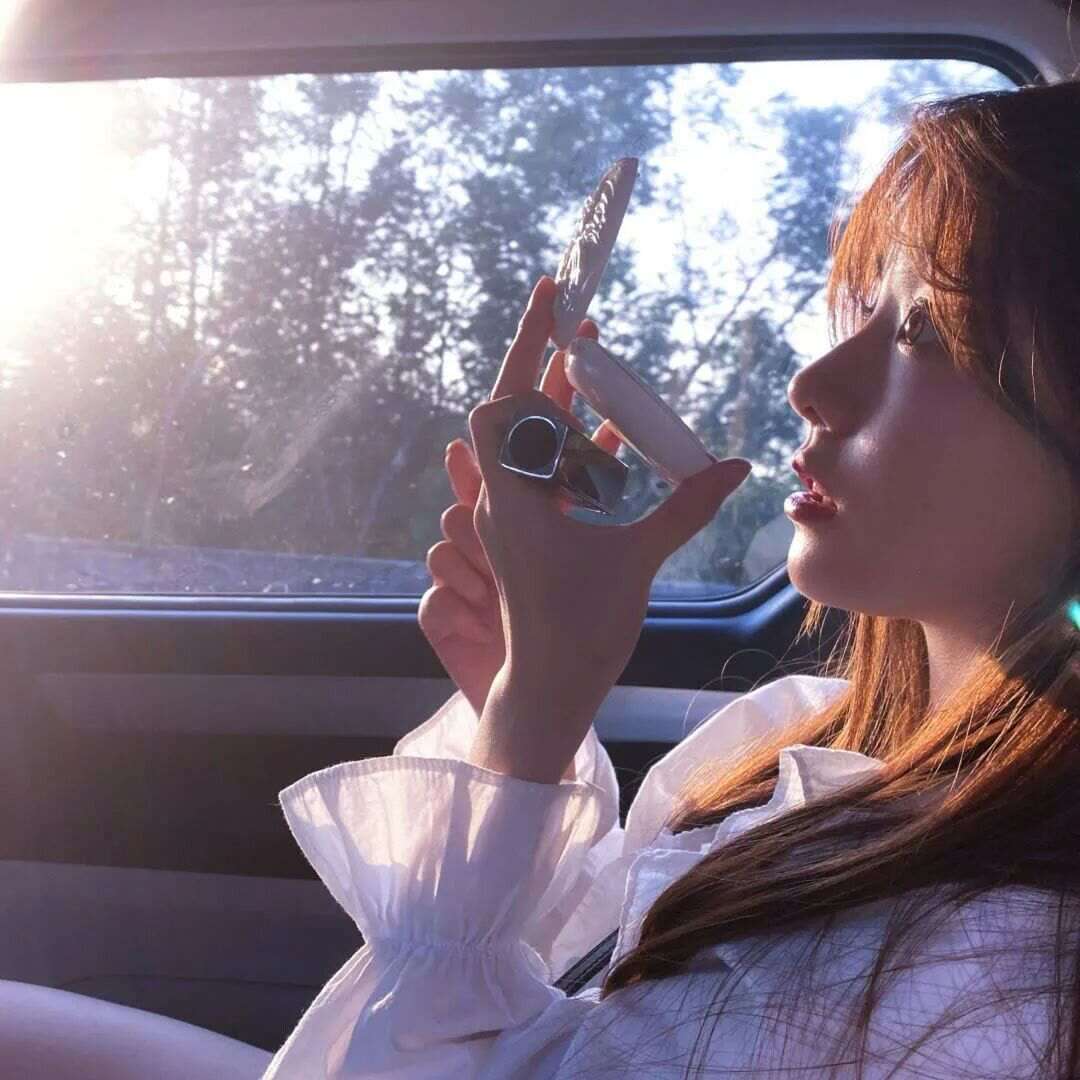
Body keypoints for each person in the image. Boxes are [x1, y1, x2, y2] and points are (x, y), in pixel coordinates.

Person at [261, 80, 1080, 1077]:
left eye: (928, 332)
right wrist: (525, 704)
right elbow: (579, 986)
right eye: (867, 311)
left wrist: (529, 727)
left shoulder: (991, 986)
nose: (813, 386)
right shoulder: (800, 731)